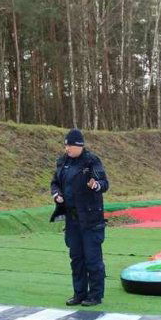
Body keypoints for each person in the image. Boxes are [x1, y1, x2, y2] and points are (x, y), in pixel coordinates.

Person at [49, 128, 109, 307]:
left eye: (69, 145)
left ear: (79, 146)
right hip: (72, 219)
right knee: (76, 258)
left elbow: (105, 184)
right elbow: (54, 183)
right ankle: (79, 293)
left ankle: (95, 295)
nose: (66, 148)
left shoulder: (91, 161)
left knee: (93, 259)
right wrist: (56, 194)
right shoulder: (62, 162)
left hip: (91, 219)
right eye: (65, 145)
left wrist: (96, 184)